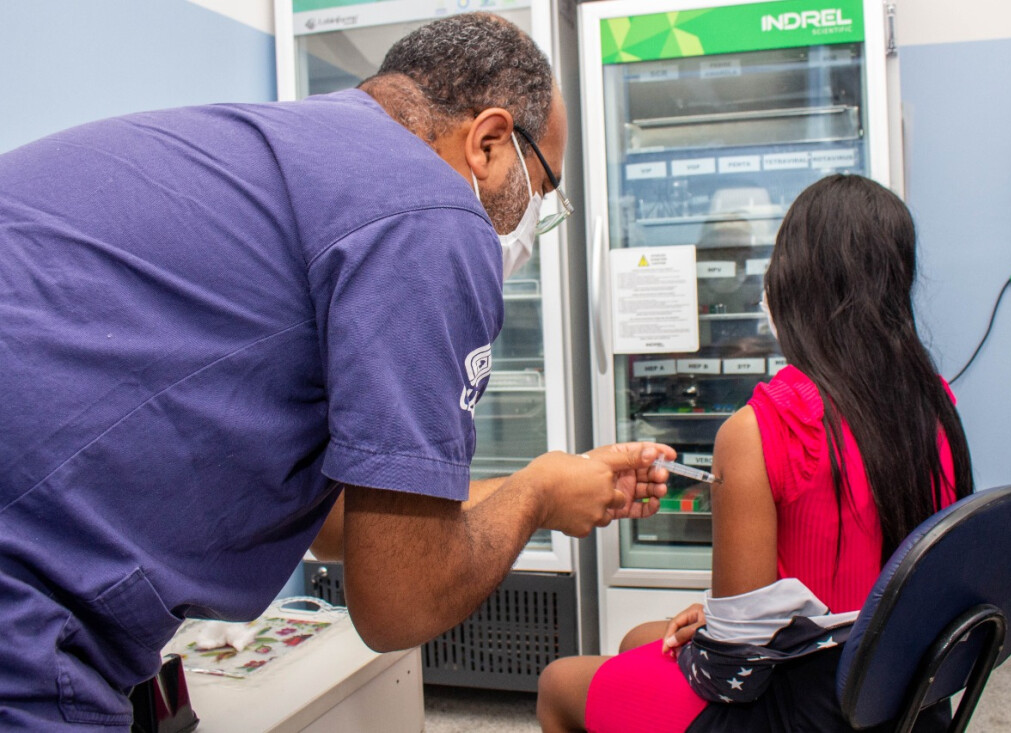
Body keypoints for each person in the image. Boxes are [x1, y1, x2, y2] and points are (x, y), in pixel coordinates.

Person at [0, 13, 675, 730]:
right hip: (29, 606)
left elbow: (342, 523)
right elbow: (400, 599)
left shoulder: (289, 155)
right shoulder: (427, 208)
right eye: (542, 185)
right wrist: (537, 495)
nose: (533, 216)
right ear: (488, 141)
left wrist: (546, 479)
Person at [536, 174, 975, 733]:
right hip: (904, 698)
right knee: (636, 640)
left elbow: (733, 665)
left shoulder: (760, 428)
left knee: (559, 683)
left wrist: (720, 625)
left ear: (792, 282)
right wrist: (717, 617)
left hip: (798, 706)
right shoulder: (938, 407)